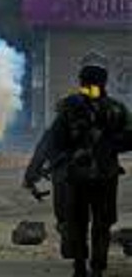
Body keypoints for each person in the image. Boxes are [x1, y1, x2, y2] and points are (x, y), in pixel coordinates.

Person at [47, 64, 130, 277]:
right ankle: (96, 267)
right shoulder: (116, 108)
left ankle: (80, 265)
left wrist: (62, 160)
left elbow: (56, 141)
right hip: (104, 176)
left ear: (82, 81)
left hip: (79, 177)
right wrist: (111, 145)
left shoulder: (69, 107)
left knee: (78, 222)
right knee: (101, 224)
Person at [23, 127, 72, 258]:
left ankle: (74, 256)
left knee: (65, 219)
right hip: (87, 180)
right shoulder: (93, 127)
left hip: (64, 179)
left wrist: (30, 178)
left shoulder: (57, 128)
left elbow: (40, 154)